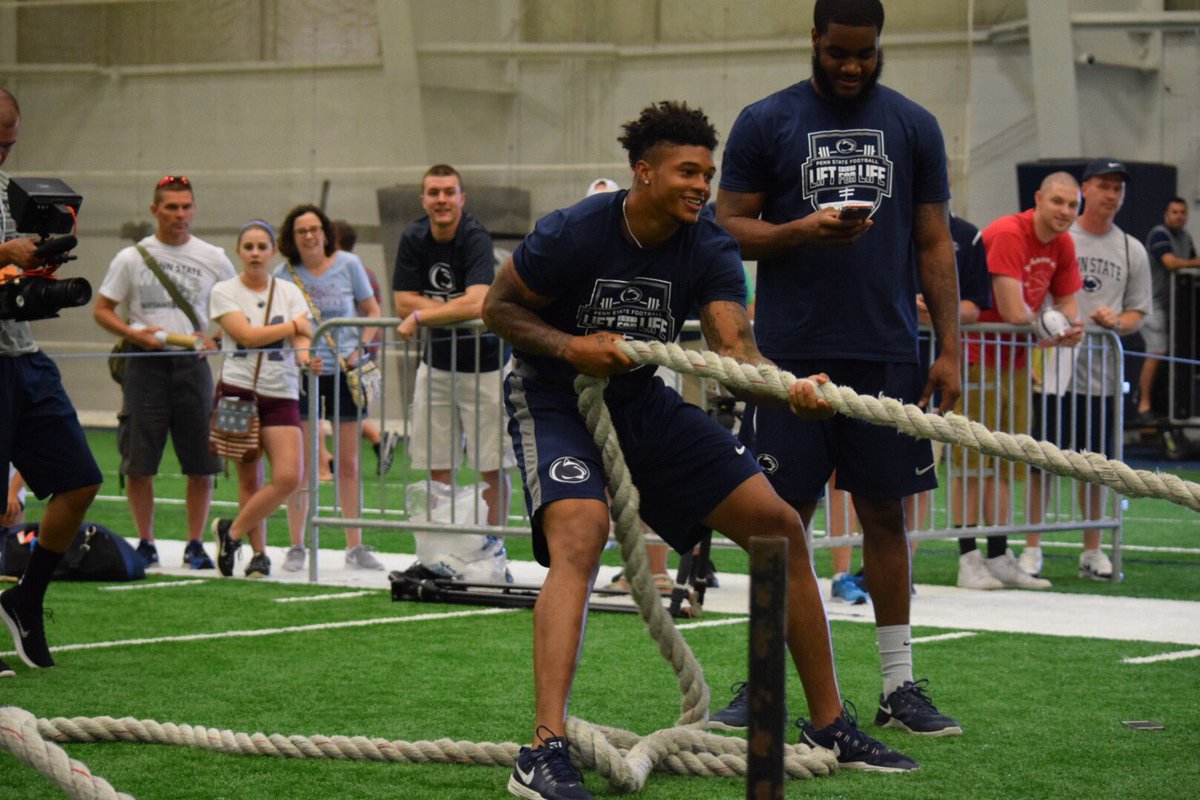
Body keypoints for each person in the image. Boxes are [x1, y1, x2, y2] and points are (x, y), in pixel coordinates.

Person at [484, 100, 920, 800]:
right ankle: (543, 748)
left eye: (707, 174)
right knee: (581, 533)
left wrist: (786, 387)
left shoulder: (709, 242)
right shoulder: (574, 231)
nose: (701, 185)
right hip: (554, 397)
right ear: (644, 171)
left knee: (778, 526)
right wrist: (570, 346)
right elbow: (498, 309)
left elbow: (735, 351)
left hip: (640, 400)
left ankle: (829, 725)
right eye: (687, 172)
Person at [714, 0, 962, 736]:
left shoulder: (914, 124)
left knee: (885, 515)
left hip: (887, 351)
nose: (852, 67)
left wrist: (950, 348)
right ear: (814, 40)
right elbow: (726, 227)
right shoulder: (767, 120)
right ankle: (764, 678)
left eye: (865, 53)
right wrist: (800, 230)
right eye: (838, 53)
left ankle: (899, 686)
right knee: (780, 518)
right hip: (788, 354)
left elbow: (934, 241)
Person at [0, 87, 103, 676]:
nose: (3, 154)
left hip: (23, 354)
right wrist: (4, 253)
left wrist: (38, 263)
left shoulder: (10, 192)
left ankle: (26, 598)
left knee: (80, 481)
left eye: (9, 144)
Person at [93, 175, 235, 571]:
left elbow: (237, 303)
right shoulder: (131, 257)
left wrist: (215, 338)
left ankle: (195, 543)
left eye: (186, 207)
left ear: (194, 209)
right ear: (155, 210)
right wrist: (134, 333)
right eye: (172, 207)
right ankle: (147, 542)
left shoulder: (213, 256)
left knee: (202, 462)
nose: (180, 214)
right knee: (139, 461)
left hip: (193, 364)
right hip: (144, 364)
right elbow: (102, 309)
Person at [953, 172, 1084, 590]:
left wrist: (1062, 325)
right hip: (978, 358)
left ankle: (998, 554)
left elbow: (1070, 305)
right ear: (1038, 199)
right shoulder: (1010, 233)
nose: (1065, 211)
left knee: (1008, 460)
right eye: (1058, 202)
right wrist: (1053, 325)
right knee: (972, 460)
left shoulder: (1063, 243)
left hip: (1015, 362)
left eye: (1072, 205)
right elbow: (1012, 311)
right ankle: (967, 557)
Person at [1020, 160, 1150, 581]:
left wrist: (1117, 321)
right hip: (1052, 370)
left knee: (1096, 465)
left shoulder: (1131, 249)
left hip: (1103, 375)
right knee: (1041, 461)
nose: (1111, 195)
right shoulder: (1058, 237)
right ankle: (1033, 546)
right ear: (1085, 190)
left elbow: (1137, 313)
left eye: (1118, 189)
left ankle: (1092, 549)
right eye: (1104, 186)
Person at [393, 164, 512, 529]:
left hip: (485, 365)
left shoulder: (475, 236)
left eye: (449, 192)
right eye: (434, 192)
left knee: (491, 465)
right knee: (437, 463)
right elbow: (402, 303)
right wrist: (447, 312)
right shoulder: (413, 236)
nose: (441, 200)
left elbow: (478, 303)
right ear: (423, 199)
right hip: (437, 364)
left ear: (462, 198)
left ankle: (493, 543)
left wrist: (422, 316)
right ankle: (441, 545)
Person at [274, 204, 383, 572]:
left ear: (325, 232)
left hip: (345, 372)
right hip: (304, 374)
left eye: (314, 229)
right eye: (301, 231)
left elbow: (371, 311)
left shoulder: (349, 265)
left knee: (348, 463)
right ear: (292, 238)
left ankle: (356, 545)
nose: (309, 236)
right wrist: (304, 357)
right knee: (303, 465)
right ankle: (297, 546)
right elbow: (284, 326)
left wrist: (359, 350)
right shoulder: (284, 275)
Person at [209, 221, 313, 578]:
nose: (255, 253)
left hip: (281, 390)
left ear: (273, 251)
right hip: (239, 390)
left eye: (261, 247)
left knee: (288, 476)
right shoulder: (224, 291)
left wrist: (304, 355)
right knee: (249, 476)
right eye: (248, 247)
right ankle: (258, 554)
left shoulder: (290, 292)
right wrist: (293, 327)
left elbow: (304, 336)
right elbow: (247, 336)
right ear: (239, 251)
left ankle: (232, 532)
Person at [334, 219, 400, 476]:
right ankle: (375, 442)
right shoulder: (366, 271)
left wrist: (359, 350)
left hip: (354, 353)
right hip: (363, 351)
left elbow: (371, 311)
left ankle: (377, 440)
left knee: (348, 407)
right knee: (347, 407)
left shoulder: (353, 271)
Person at [1138, 196, 1200, 422]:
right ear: (1166, 214)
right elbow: (1171, 262)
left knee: (1176, 352)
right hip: (1153, 305)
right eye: (1174, 212)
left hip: (1176, 308)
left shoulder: (1185, 237)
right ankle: (1143, 403)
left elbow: (1191, 265)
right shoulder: (1159, 234)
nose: (1179, 216)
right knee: (1157, 351)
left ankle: (1166, 404)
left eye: (1183, 212)